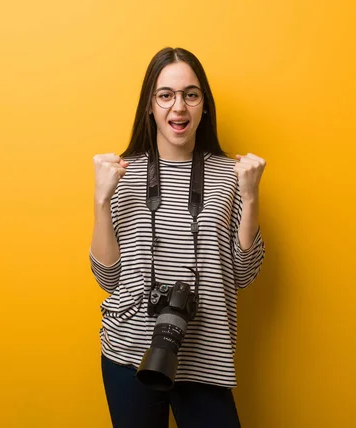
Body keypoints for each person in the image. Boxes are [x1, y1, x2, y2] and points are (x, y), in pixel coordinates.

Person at [89, 47, 266, 428]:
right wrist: (101, 200)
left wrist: (250, 197)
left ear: (205, 105)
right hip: (130, 353)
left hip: (206, 355)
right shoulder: (121, 173)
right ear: (150, 105)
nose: (178, 107)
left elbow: (244, 275)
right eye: (165, 95)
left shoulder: (232, 175)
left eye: (191, 94)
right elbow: (107, 280)